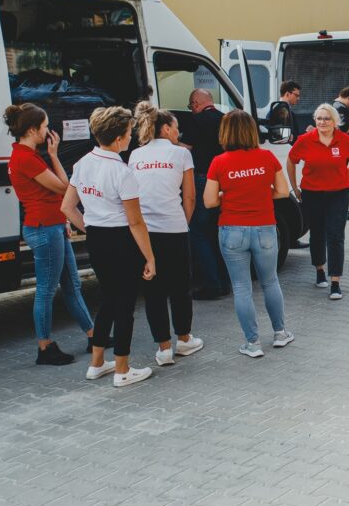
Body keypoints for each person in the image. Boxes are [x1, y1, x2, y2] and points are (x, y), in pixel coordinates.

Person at [62, 107, 157, 387]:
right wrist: (149, 257)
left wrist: (88, 227)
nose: (131, 138)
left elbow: (67, 206)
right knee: (124, 305)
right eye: (129, 133)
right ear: (118, 138)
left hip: (96, 239)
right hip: (120, 240)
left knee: (110, 299)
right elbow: (136, 222)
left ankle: (97, 363)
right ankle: (122, 369)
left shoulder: (82, 163)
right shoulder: (121, 171)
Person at [4, 103, 97, 365]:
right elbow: (64, 188)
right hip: (45, 229)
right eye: (45, 126)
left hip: (51, 226)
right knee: (46, 289)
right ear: (33, 129)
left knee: (71, 285)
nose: (48, 131)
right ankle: (44, 347)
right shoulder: (25, 158)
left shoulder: (26, 155)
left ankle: (93, 335)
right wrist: (55, 155)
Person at [205, 110, 294, 357]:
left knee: (242, 287)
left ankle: (252, 343)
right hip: (265, 227)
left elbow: (210, 201)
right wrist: (261, 194)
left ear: (226, 133)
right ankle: (280, 333)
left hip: (232, 230)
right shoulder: (267, 157)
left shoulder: (219, 162)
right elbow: (283, 191)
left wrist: (227, 195)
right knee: (270, 281)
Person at [130, 102, 204, 366]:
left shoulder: (135, 155)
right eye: (176, 128)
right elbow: (190, 195)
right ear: (165, 128)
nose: (178, 132)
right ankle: (184, 339)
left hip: (145, 232)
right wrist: (183, 222)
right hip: (173, 228)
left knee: (153, 290)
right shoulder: (181, 154)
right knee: (181, 287)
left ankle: (163, 348)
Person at [286, 103, 349, 300]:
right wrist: (295, 187)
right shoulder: (305, 140)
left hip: (338, 194)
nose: (322, 122)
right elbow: (291, 160)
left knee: (335, 235)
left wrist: (347, 177)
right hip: (312, 193)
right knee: (317, 233)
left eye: (326, 118)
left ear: (334, 121)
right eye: (319, 118)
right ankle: (319, 269)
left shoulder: (344, 140)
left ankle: (335, 282)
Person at [182, 88, 229, 300]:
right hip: (224, 181)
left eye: (191, 105)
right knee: (216, 231)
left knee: (199, 232)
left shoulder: (196, 121)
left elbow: (185, 149)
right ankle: (225, 282)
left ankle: (211, 284)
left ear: (196, 102)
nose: (191, 109)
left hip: (202, 180)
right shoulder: (226, 119)